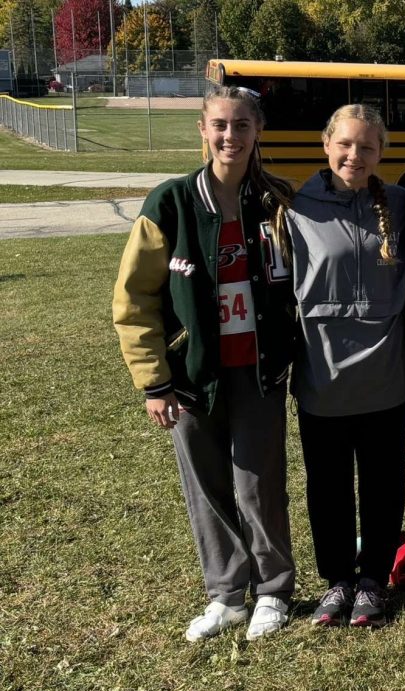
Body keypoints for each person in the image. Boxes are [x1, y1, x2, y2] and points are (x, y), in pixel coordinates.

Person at [113, 85, 297, 642]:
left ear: (257, 132)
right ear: (201, 129)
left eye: (242, 126)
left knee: (257, 486)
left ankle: (273, 591)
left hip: (260, 373)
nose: (230, 137)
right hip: (192, 377)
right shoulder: (168, 204)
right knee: (207, 487)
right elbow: (134, 299)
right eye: (220, 124)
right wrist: (154, 382)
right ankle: (225, 595)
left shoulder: (276, 203)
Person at [288, 104, 405, 629]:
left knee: (384, 482)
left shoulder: (401, 204)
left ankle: (373, 580)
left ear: (381, 152)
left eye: (367, 147)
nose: (354, 156)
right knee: (328, 484)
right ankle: (338, 578)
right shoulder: (294, 207)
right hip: (322, 374)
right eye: (345, 145)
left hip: (385, 375)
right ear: (325, 143)